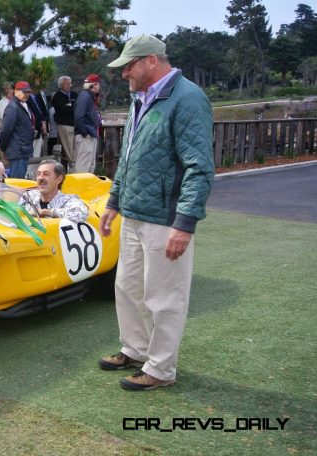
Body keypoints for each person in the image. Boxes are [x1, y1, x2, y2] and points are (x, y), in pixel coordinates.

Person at [98, 34, 215, 391]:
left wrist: (184, 224)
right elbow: (130, 157)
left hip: (164, 218)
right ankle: (135, 349)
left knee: (164, 297)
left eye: (128, 66)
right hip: (133, 213)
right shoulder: (141, 99)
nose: (124, 74)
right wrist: (114, 201)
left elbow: (199, 167)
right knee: (128, 287)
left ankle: (160, 369)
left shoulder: (189, 98)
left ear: (151, 61)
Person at [19, 159, 87, 222]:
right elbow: (16, 213)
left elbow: (81, 214)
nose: (40, 178)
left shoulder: (69, 199)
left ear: (59, 179)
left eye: (46, 174)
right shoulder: (28, 196)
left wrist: (49, 212)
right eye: (38, 174)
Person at [0, 81, 35, 179]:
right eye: (24, 92)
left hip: (21, 150)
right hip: (18, 151)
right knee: (17, 183)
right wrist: (1, 148)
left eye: (28, 92)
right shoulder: (13, 107)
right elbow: (5, 130)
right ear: (16, 91)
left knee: (18, 181)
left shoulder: (22, 105)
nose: (27, 94)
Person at [74, 73, 102, 174]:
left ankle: (86, 188)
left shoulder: (90, 97)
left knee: (90, 164)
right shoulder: (84, 97)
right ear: (94, 84)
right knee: (83, 165)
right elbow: (79, 116)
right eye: (98, 83)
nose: (99, 86)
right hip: (86, 135)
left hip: (91, 133)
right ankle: (79, 188)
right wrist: (84, 133)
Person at [50, 76, 78, 170]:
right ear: (60, 85)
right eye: (66, 83)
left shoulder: (74, 94)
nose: (68, 85)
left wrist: (70, 106)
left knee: (76, 148)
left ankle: (75, 168)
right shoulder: (56, 96)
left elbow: (78, 107)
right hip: (64, 126)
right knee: (68, 149)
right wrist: (71, 107)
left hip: (75, 125)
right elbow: (62, 109)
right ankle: (73, 168)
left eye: (70, 83)